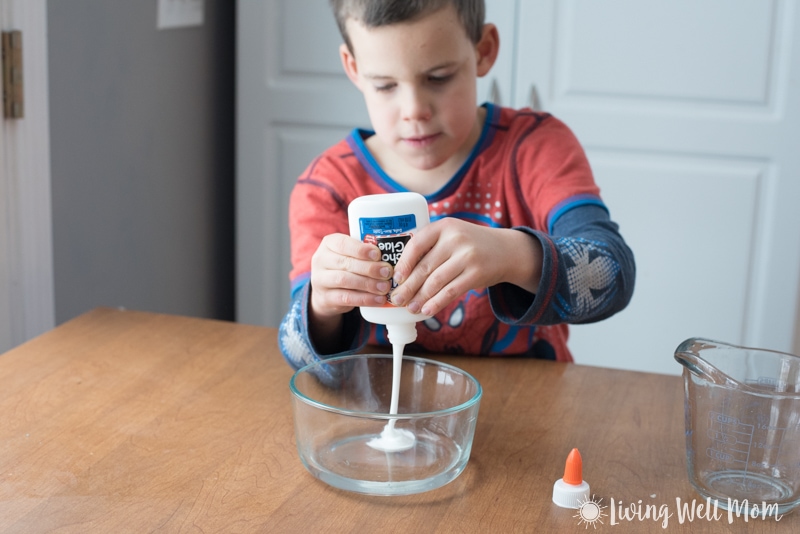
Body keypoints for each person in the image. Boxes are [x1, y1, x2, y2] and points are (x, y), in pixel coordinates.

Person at [279, 0, 635, 369]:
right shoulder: (327, 187)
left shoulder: (536, 148)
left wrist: (511, 256)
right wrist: (321, 305)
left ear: (483, 50)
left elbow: (614, 276)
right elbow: (301, 356)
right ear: (353, 69)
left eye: (439, 77)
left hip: (531, 404)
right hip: (390, 407)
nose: (414, 110)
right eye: (385, 85)